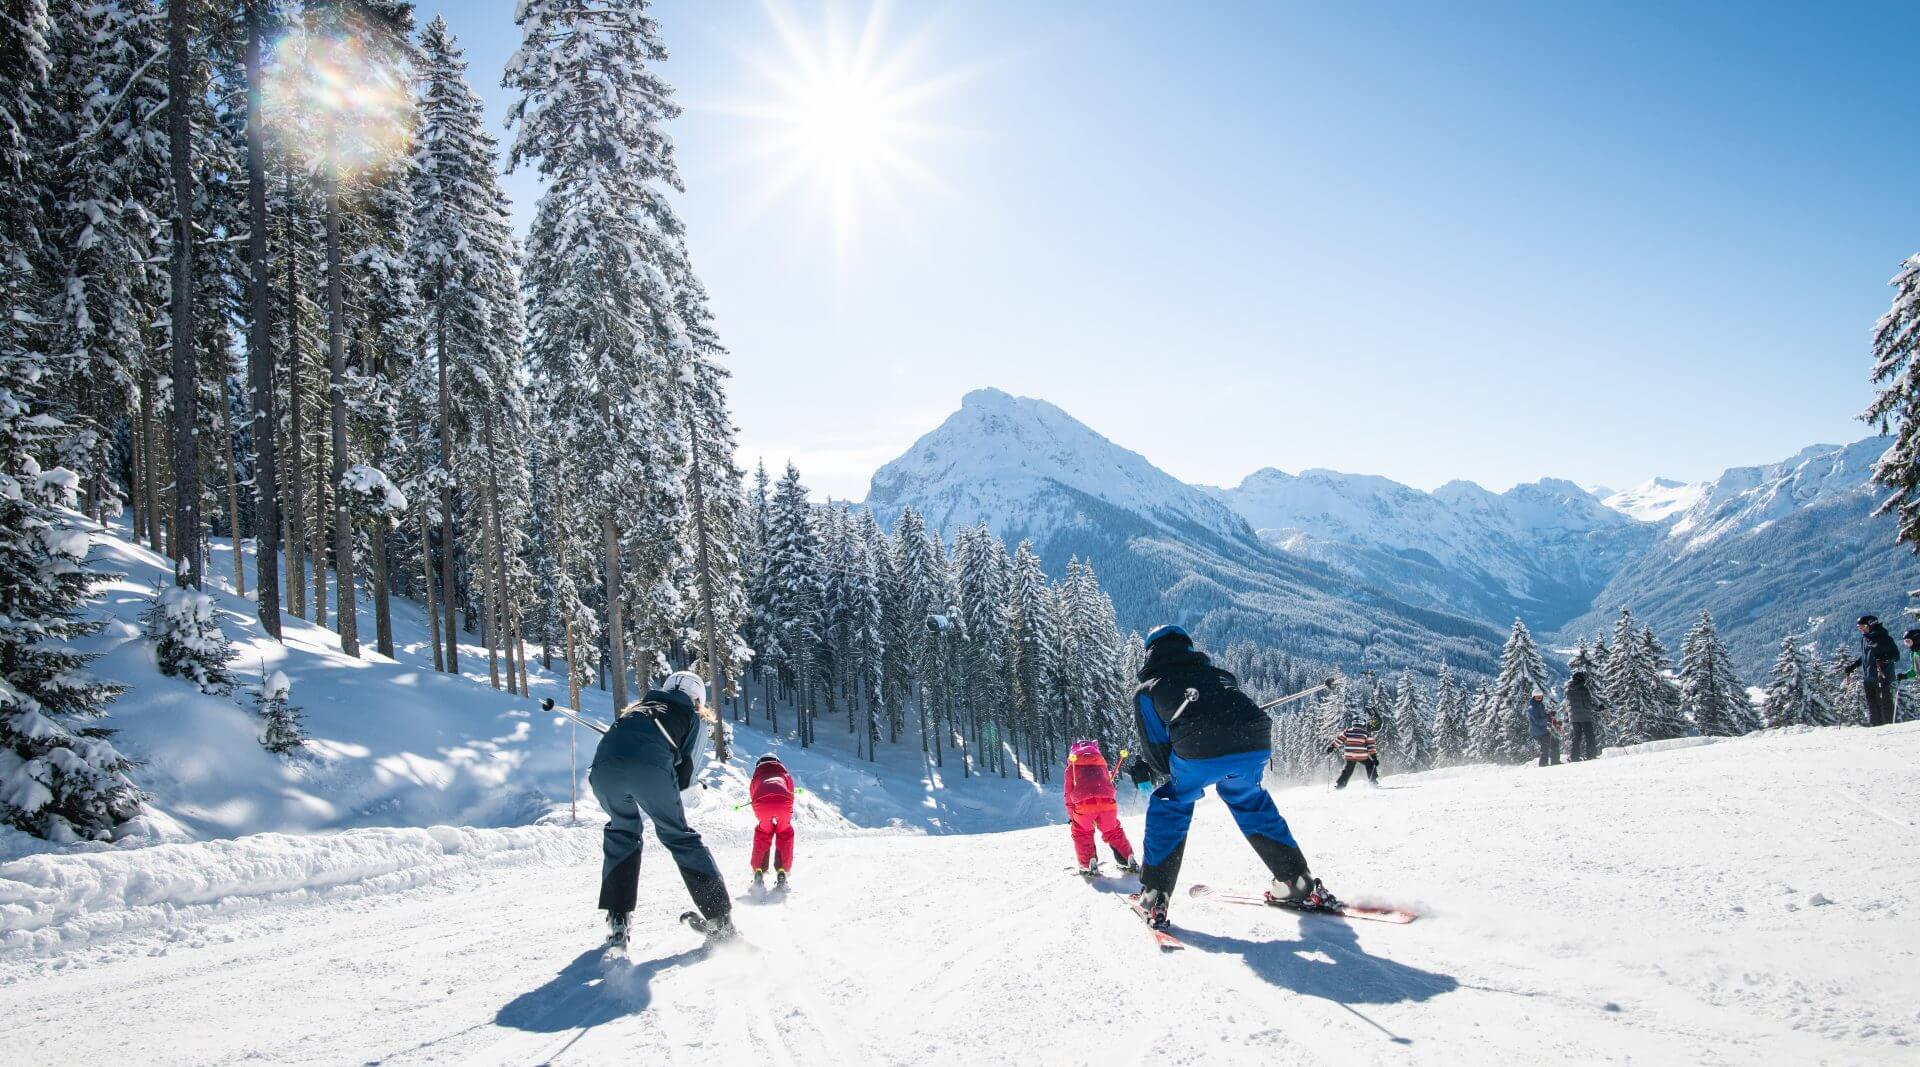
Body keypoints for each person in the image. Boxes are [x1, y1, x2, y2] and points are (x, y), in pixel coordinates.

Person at [1131, 625, 1337, 930]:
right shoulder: (1222, 676)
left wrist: (1177, 768)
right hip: (1255, 742)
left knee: (1171, 802)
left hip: (1197, 751)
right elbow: (1232, 714)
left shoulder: (1148, 691)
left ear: (1150, 654)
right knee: (1248, 798)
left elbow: (1159, 756)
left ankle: (1154, 894)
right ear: (1188, 648)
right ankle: (1295, 880)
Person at [589, 670, 735, 950]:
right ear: (697, 700)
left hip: (603, 771)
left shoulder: (637, 710)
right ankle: (721, 921)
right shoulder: (692, 717)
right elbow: (686, 775)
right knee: (679, 837)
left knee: (622, 832)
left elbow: (617, 745)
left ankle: (618, 920)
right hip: (650, 771)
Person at [1063, 739, 1138, 875]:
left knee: (1082, 832)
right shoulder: (1101, 764)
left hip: (1083, 806)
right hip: (1107, 804)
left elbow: (1068, 795)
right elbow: (1107, 785)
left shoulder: (1072, 768)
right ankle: (1127, 858)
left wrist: (1072, 816)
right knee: (1113, 830)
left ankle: (1088, 864)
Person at [1844, 615, 1902, 727]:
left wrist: (1885, 659)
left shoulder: (1884, 638)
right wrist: (1853, 666)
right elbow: (1865, 657)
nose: (1861, 629)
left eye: (1863, 627)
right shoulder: (1865, 639)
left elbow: (1896, 656)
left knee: (1885, 703)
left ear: (1871, 624)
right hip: (1869, 677)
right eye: (1859, 627)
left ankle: (1889, 727)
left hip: (1883, 677)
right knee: (1872, 704)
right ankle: (1876, 727)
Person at [748, 754, 796, 890]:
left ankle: (759, 870)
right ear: (777, 762)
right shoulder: (785, 775)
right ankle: (782, 870)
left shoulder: (756, 777)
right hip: (783, 803)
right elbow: (791, 794)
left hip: (761, 804)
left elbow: (752, 796)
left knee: (763, 832)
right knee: (785, 832)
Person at [1324, 716, 1379, 788]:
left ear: (1353, 723)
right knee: (1370, 765)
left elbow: (1339, 740)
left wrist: (1332, 747)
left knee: (1348, 769)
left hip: (1349, 755)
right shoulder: (1366, 733)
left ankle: (1340, 785)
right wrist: (1374, 758)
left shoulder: (1347, 732)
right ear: (1363, 724)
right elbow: (1371, 746)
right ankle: (1373, 782)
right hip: (1361, 755)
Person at [1565, 671, 1601, 762]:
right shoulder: (1583, 689)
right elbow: (1587, 704)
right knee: (1589, 736)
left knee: (1576, 737)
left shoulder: (1568, 690)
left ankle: (1574, 757)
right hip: (1584, 717)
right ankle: (1591, 755)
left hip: (1573, 718)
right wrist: (1599, 708)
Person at [1527, 690, 1560, 766]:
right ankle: (1543, 763)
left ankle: (1554, 761)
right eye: (1537, 697)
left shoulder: (1540, 705)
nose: (1539, 698)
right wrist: (1547, 717)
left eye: (1540, 697)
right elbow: (1538, 721)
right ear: (1533, 697)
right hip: (1537, 731)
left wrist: (1551, 716)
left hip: (1542, 730)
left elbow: (1544, 716)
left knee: (1554, 742)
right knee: (1546, 745)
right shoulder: (1532, 708)